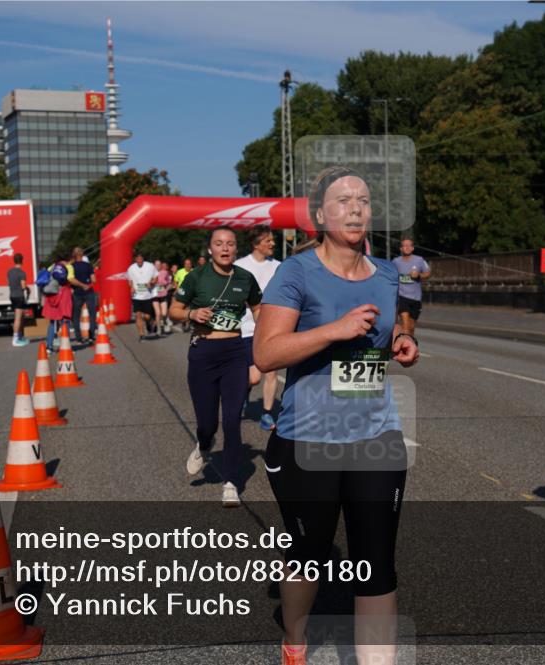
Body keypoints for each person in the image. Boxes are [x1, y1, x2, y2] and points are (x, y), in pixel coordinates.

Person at [254, 166, 419, 665]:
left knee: (377, 565)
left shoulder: (387, 273)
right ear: (320, 215)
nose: (355, 209)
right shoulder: (296, 272)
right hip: (308, 441)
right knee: (309, 557)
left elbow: (387, 332)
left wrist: (401, 341)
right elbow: (266, 353)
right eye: (343, 201)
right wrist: (334, 330)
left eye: (363, 201)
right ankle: (295, 638)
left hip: (377, 436)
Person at [169, 228, 262, 507]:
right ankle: (204, 444)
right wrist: (191, 313)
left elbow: (259, 310)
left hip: (235, 353)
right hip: (203, 353)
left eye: (230, 244)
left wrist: (260, 350)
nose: (225, 248)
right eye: (219, 244)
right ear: (210, 249)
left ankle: (231, 483)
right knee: (207, 423)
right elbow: (174, 309)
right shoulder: (196, 277)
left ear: (236, 249)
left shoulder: (245, 278)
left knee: (232, 420)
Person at [235, 228, 281, 430]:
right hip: (246, 327)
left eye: (273, 240)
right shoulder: (240, 266)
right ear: (255, 244)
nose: (273, 243)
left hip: (272, 328)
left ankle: (267, 414)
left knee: (271, 372)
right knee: (253, 378)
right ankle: (243, 393)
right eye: (267, 240)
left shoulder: (279, 266)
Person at [392, 238, 431, 337]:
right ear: (401, 248)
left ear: (413, 248)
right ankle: (404, 343)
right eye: (404, 245)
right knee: (405, 324)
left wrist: (419, 275)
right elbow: (390, 274)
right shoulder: (395, 262)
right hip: (401, 296)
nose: (407, 247)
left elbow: (427, 273)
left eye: (409, 245)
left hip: (415, 298)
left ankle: (410, 342)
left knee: (411, 326)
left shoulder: (419, 260)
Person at [43, 255, 73, 353]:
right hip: (64, 295)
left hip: (52, 296)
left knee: (52, 322)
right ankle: (65, 347)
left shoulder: (51, 267)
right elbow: (71, 279)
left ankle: (49, 347)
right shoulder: (68, 266)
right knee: (65, 321)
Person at [68, 247, 97, 344]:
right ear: (82, 254)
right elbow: (94, 280)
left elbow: (70, 280)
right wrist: (87, 284)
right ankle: (91, 336)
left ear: (74, 255)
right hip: (89, 291)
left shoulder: (71, 266)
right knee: (92, 314)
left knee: (76, 316)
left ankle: (79, 338)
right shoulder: (88, 265)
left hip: (77, 292)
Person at [126, 251, 157, 341]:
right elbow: (130, 280)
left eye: (141, 259)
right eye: (138, 259)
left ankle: (150, 322)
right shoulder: (131, 268)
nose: (139, 261)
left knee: (147, 316)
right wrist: (131, 287)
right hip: (136, 296)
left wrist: (151, 283)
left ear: (143, 259)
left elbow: (156, 277)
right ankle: (141, 335)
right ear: (135, 259)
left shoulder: (150, 266)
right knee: (138, 315)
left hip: (147, 296)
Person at [7, 253, 30, 347]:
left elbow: (9, 283)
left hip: (12, 295)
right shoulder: (21, 273)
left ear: (14, 260)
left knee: (21, 317)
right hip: (19, 296)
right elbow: (23, 286)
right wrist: (28, 289)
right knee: (18, 318)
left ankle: (20, 336)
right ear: (22, 261)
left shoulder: (10, 272)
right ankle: (15, 339)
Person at [153, 260, 173, 335]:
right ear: (154, 265)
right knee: (158, 313)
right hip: (154, 296)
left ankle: (164, 323)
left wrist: (166, 287)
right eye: (156, 265)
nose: (158, 266)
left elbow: (169, 282)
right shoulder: (151, 273)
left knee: (164, 314)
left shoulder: (165, 272)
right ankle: (158, 329)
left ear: (161, 265)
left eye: (159, 264)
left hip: (163, 295)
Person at [174, 259, 194, 332]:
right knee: (181, 310)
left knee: (189, 309)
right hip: (181, 293)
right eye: (186, 264)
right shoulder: (179, 272)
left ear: (191, 265)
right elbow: (175, 281)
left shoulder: (194, 271)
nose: (188, 265)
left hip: (191, 294)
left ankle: (188, 324)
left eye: (189, 264)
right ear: (184, 265)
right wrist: (177, 289)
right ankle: (183, 323)